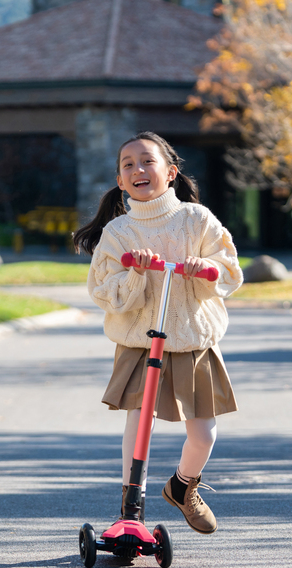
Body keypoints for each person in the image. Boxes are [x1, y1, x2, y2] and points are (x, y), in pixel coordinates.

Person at [74, 132, 242, 535]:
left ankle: (183, 486)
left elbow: (229, 268)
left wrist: (205, 268)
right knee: (138, 424)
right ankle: (131, 510)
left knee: (204, 434)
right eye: (128, 164)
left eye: (147, 161)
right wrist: (134, 272)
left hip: (193, 340)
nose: (138, 170)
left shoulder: (196, 220)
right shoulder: (118, 233)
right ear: (119, 180)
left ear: (170, 172)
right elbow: (103, 290)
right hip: (140, 342)